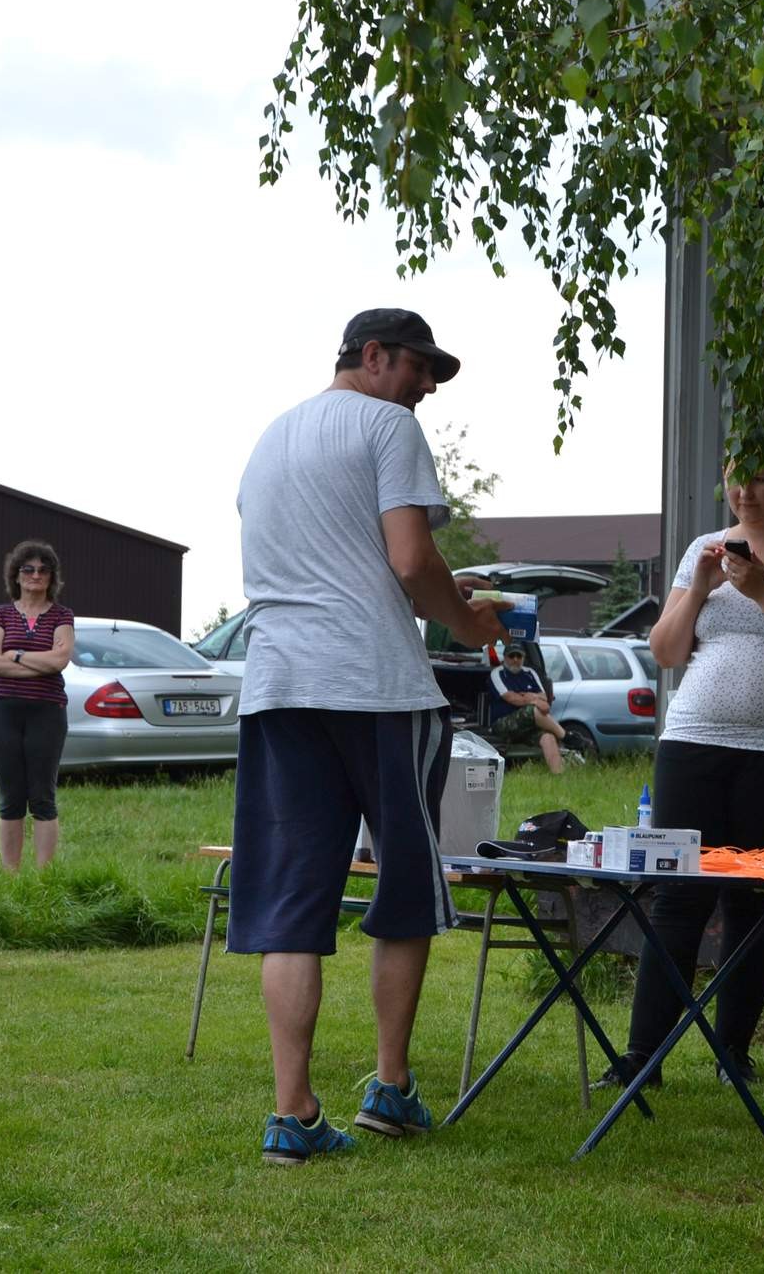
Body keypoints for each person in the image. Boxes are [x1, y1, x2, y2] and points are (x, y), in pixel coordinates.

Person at [229, 307, 504, 1167]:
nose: (426, 388)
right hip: (378, 686)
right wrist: (469, 622)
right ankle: (390, 1084)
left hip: (278, 687)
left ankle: (292, 1112)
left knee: (291, 902)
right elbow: (411, 560)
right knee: (407, 886)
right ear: (372, 355)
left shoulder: (270, 439)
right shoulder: (387, 427)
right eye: (420, 367)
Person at [595, 464, 764, 1092]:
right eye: (734, 478)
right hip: (692, 742)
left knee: (752, 898)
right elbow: (667, 652)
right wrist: (700, 586)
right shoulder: (702, 550)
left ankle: (733, 1051)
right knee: (678, 894)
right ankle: (641, 1060)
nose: (745, 492)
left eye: (759, 479)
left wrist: (762, 591)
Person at [0, 540, 75, 872]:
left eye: (43, 570)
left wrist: (17, 655)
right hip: (1, 710)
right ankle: (12, 877)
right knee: (10, 797)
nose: (36, 575)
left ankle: (44, 876)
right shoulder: (0, 614)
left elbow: (59, 661)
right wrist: (39, 663)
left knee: (43, 796)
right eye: (28, 569)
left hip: (47, 711)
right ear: (16, 575)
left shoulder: (62, 616)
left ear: (52, 577)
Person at [488, 641, 566, 772]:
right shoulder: (497, 673)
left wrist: (530, 697)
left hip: (528, 727)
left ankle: (558, 775)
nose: (515, 660)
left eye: (519, 656)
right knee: (532, 710)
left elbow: (544, 699)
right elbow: (511, 698)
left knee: (548, 737)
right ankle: (566, 736)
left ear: (523, 658)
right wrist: (535, 700)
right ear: (505, 657)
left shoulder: (530, 673)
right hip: (503, 725)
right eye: (512, 656)